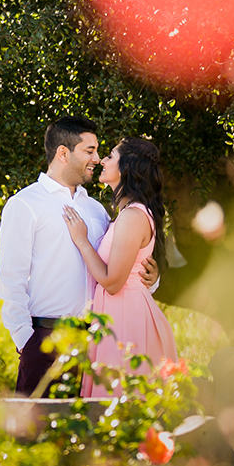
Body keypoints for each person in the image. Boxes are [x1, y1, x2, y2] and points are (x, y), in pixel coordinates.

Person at [0, 117, 159, 398]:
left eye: (99, 152)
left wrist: (151, 280)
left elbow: (119, 265)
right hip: (45, 339)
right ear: (63, 153)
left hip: (97, 344)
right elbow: (11, 278)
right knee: (34, 435)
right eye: (89, 151)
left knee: (90, 436)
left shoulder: (97, 210)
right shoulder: (24, 204)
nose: (97, 159)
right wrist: (26, 340)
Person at [61, 136, 178, 398]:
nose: (102, 159)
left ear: (127, 167)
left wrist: (82, 241)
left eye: (110, 156)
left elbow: (113, 283)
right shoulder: (125, 215)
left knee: (119, 398)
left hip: (126, 316)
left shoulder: (134, 216)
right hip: (117, 314)